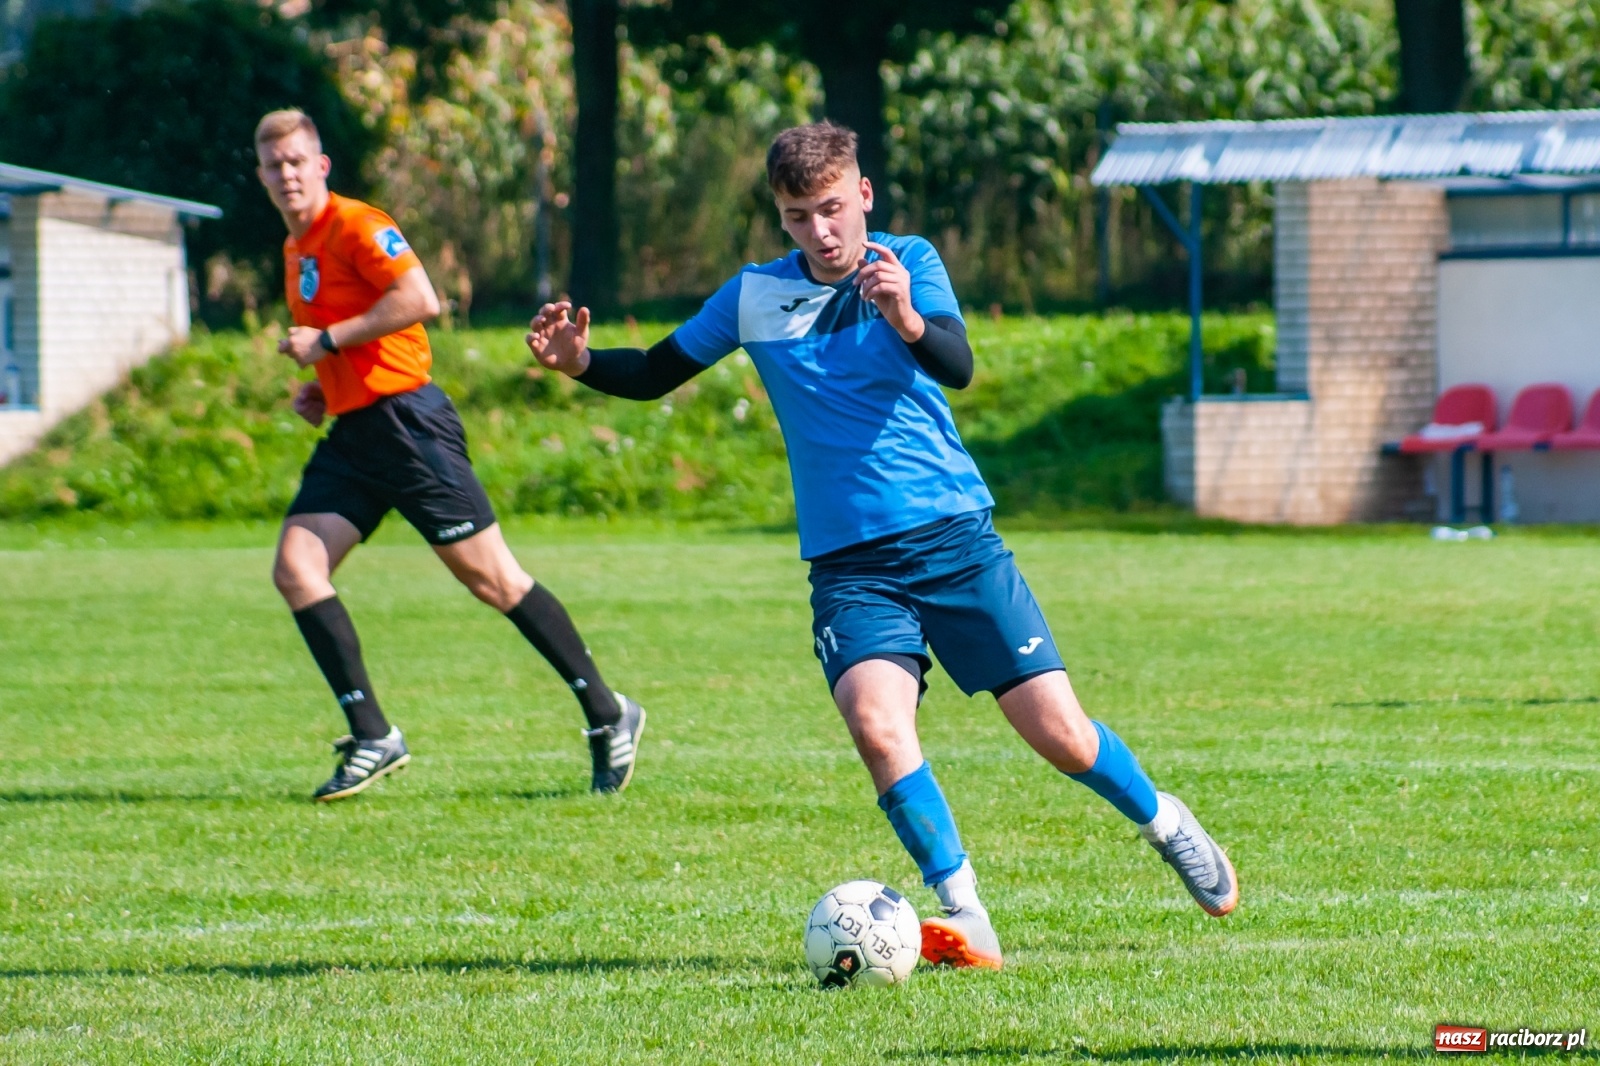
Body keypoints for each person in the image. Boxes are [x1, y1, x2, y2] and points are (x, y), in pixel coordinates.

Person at [526, 121, 1236, 969]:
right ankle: (965, 912)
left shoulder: (912, 263)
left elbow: (958, 364)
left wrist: (902, 314)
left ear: (862, 196)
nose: (819, 232)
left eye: (830, 209)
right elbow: (651, 371)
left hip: (954, 542)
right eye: (797, 216)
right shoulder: (754, 296)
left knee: (1061, 736)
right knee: (875, 723)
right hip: (852, 567)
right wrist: (579, 363)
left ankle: (1166, 821)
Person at [256, 108, 644, 801]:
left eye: (296, 162)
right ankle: (373, 735)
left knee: (494, 581)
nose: (286, 175)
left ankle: (609, 714)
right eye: (272, 164)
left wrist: (329, 344)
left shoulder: (355, 224)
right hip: (356, 433)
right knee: (297, 566)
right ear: (261, 174)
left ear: (321, 166)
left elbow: (419, 297)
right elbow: (346, 338)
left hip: (408, 424)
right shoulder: (297, 250)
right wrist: (324, 385)